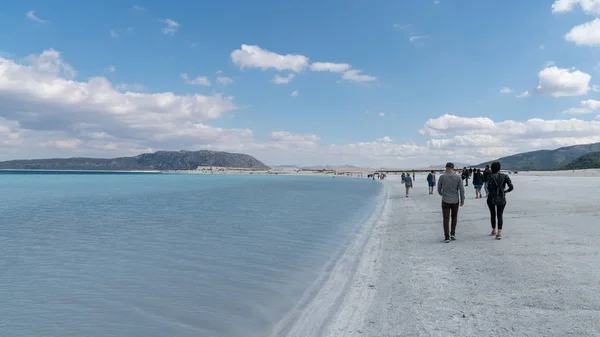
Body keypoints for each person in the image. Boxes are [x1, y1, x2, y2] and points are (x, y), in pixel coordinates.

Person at [437, 162, 465, 243]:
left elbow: (439, 189)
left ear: (446, 168)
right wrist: (462, 199)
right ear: (453, 168)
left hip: (445, 200)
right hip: (455, 200)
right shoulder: (458, 177)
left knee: (446, 218)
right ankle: (452, 234)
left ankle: (446, 237)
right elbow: (461, 189)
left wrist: (443, 194)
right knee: (454, 217)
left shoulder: (442, 177)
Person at [487, 162, 514, 240]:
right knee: (500, 215)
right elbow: (511, 187)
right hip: (502, 197)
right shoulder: (505, 176)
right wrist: (505, 191)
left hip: (491, 198)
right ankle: (499, 233)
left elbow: (489, 187)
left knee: (492, 214)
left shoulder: (491, 176)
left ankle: (493, 230)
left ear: (492, 168)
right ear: (499, 168)